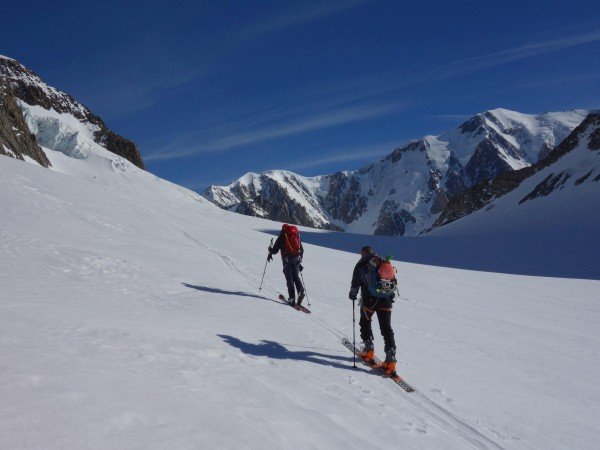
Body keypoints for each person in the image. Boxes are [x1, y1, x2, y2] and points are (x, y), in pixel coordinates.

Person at [349, 246, 397, 374]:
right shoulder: (383, 262)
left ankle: (368, 350)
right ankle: (391, 360)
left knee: (365, 322)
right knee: (386, 329)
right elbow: (392, 281)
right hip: (386, 300)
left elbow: (355, 283)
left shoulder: (361, 265)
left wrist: (352, 295)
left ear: (363, 254)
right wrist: (390, 297)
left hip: (369, 301)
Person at [268, 224, 305, 306]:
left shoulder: (283, 236)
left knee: (289, 278)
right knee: (295, 276)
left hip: (287, 259)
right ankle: (301, 291)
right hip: (297, 259)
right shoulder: (296, 235)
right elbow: (301, 250)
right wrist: (299, 262)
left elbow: (275, 250)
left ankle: (292, 299)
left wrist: (269, 249)